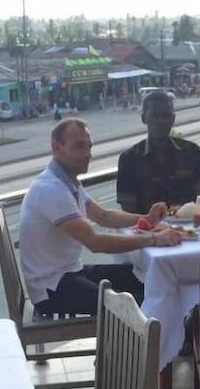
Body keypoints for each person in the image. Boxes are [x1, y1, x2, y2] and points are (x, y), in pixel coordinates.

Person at [19, 117, 182, 317]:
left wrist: (146, 219)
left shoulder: (66, 182)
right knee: (148, 303)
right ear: (57, 148)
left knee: (147, 279)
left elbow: (104, 216)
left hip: (67, 273)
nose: (87, 154)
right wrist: (154, 239)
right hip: (52, 289)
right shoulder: (50, 189)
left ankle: (170, 332)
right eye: (79, 146)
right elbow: (95, 243)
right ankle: (166, 333)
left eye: (89, 146)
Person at [116, 90, 200, 214]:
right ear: (144, 118)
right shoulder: (129, 159)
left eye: (166, 115)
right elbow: (128, 210)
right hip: (146, 225)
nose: (161, 121)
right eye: (154, 115)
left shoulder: (191, 152)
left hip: (189, 223)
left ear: (173, 118)